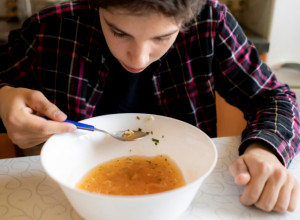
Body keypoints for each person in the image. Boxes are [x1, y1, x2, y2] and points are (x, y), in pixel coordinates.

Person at [0, 0, 299, 213]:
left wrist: (265, 152)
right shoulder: (50, 29)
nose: (138, 59)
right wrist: (3, 100)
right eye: (119, 33)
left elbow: (275, 98)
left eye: (162, 37)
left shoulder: (211, 21)